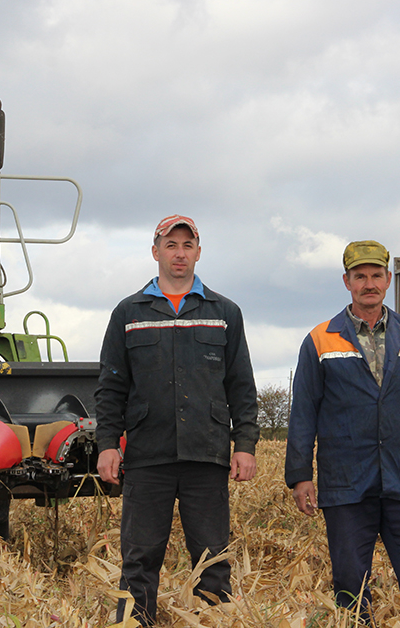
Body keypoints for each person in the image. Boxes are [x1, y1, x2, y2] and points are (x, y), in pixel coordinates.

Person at [284, 240, 400, 627]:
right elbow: (303, 413)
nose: (369, 283)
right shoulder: (320, 340)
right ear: (346, 281)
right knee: (351, 586)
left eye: (376, 275)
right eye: (360, 276)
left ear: (388, 280)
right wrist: (299, 476)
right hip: (346, 482)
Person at [95, 214, 260, 627]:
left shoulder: (224, 312)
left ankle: (212, 621)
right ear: (156, 252)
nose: (179, 253)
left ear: (199, 253)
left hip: (206, 454)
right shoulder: (128, 312)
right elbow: (111, 387)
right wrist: (108, 444)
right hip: (148, 456)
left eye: (187, 245)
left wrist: (244, 445)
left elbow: (241, 386)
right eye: (171, 245)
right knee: (139, 558)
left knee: (211, 559)